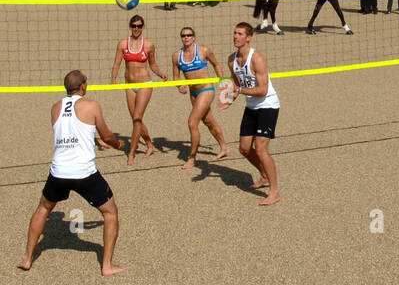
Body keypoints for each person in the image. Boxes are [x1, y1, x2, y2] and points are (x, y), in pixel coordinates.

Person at [19, 69, 127, 277]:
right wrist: (117, 144)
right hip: (84, 173)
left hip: (59, 171)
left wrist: (93, 140)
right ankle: (107, 266)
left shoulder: (55, 108)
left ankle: (27, 258)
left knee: (43, 209)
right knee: (110, 212)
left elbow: (70, 133)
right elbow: (107, 135)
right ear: (84, 85)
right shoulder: (92, 105)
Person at [221, 22, 281, 206]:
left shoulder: (257, 59)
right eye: (234, 33)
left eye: (239, 34)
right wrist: (228, 99)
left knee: (261, 149)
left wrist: (238, 92)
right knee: (244, 149)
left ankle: (274, 191)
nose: (235, 36)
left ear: (248, 37)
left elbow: (262, 90)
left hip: (268, 105)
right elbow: (236, 85)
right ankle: (263, 174)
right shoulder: (232, 60)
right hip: (251, 106)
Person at [110, 14, 168, 165]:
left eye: (139, 26)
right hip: (129, 84)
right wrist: (114, 78)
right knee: (136, 120)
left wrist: (160, 73)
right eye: (134, 26)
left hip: (144, 84)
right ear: (130, 26)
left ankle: (131, 154)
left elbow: (153, 64)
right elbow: (116, 63)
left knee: (136, 118)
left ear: (143, 27)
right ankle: (149, 145)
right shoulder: (123, 44)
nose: (136, 28)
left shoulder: (148, 45)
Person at [172, 27, 229, 169]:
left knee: (192, 122)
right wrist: (179, 86)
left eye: (189, 35)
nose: (186, 37)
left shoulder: (203, 50)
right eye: (183, 35)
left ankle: (192, 158)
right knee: (208, 121)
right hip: (193, 93)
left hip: (206, 89)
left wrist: (224, 84)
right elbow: (176, 76)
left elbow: (216, 64)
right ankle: (224, 148)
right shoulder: (176, 55)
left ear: (194, 37)